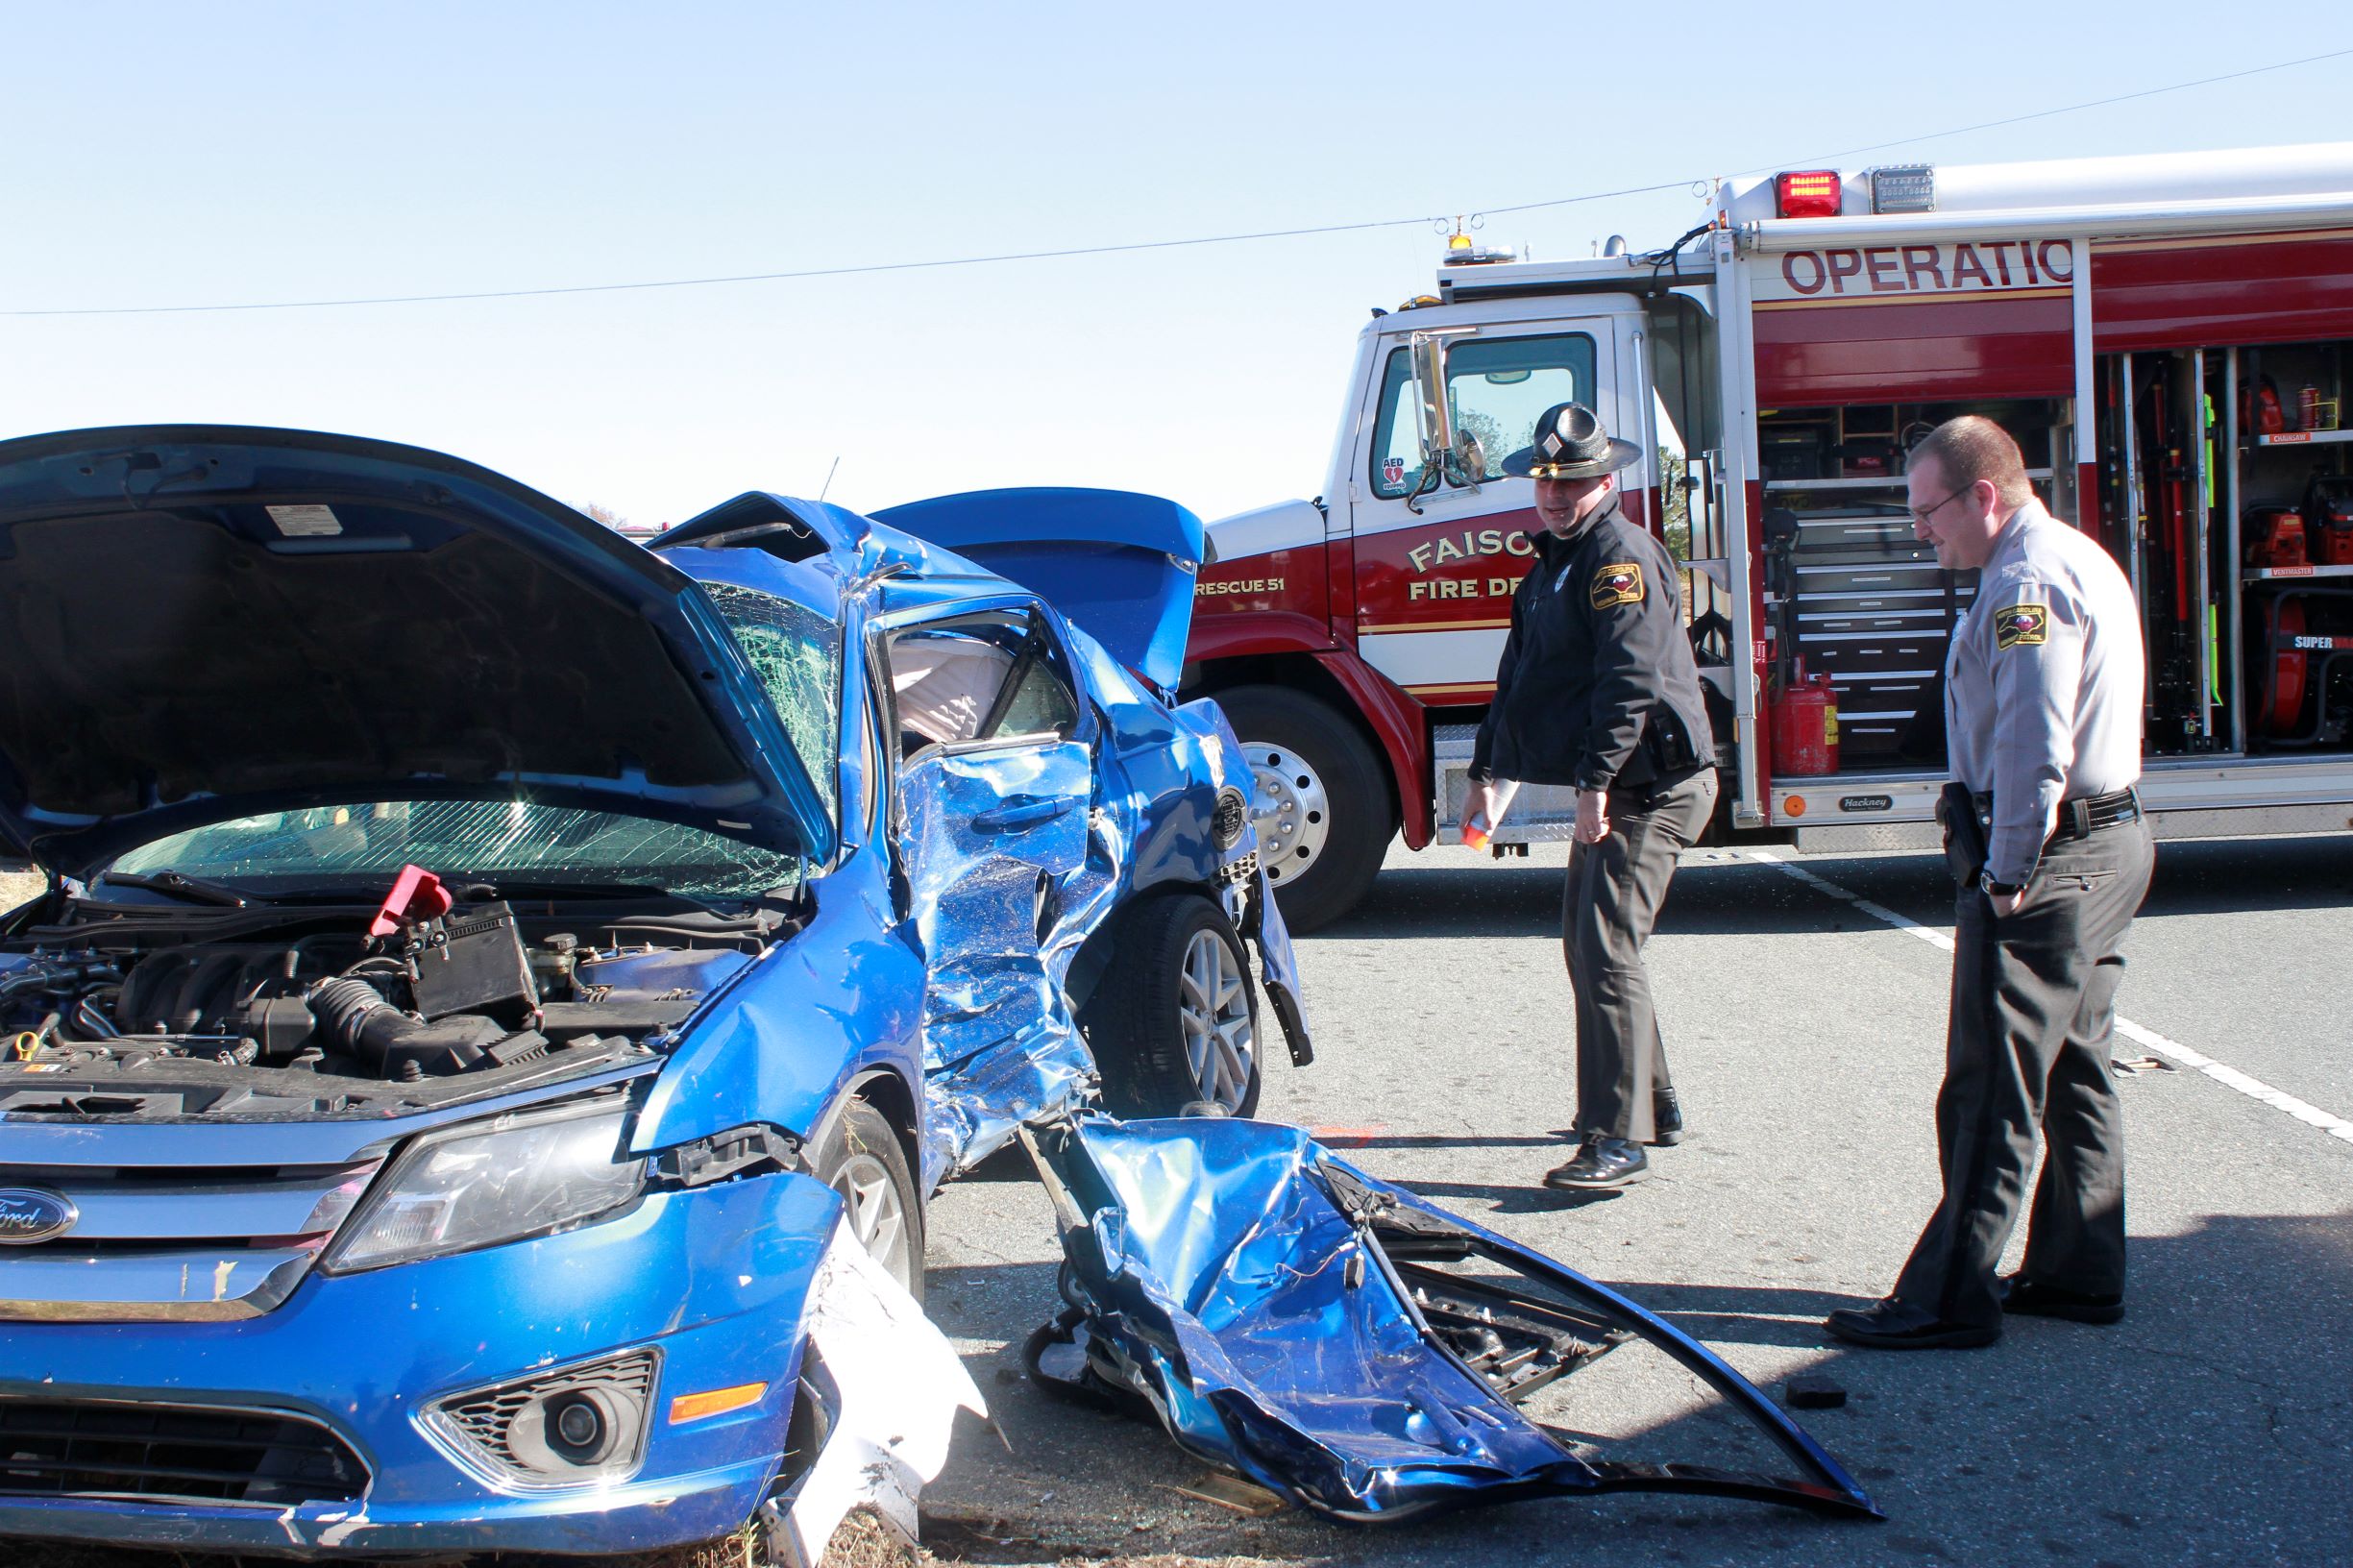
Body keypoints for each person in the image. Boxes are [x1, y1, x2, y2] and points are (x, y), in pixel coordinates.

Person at [1826, 415, 2152, 1351]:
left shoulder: (2026, 580)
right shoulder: (2067, 557)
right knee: (2075, 1063)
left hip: (2049, 861)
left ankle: (1944, 1299)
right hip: (2106, 845)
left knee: (1988, 1087)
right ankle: (2077, 1271)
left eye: (1927, 511)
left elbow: (2030, 743)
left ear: (1981, 494)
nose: (1921, 532)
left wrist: (2008, 871)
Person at [1462, 403, 1718, 1190]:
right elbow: (1520, 681)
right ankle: (1651, 1103)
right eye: (1543, 482)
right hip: (1623, 784)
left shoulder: (1616, 557)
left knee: (1603, 948)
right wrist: (1485, 776)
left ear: (1605, 481)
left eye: (1570, 483)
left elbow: (1627, 682)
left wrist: (1592, 786)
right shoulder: (1554, 562)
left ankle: (1615, 1138)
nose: (1553, 496)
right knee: (1592, 945)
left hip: (1654, 785)